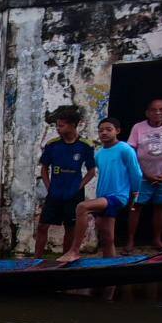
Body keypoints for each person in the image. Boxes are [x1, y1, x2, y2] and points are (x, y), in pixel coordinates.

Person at [63, 118, 142, 263]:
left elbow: (136, 174)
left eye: (108, 129)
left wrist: (134, 195)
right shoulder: (99, 154)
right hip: (104, 196)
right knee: (107, 237)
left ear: (117, 131)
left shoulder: (125, 149)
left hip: (118, 196)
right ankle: (110, 267)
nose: (104, 132)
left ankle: (74, 250)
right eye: (101, 130)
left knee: (82, 207)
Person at [33, 107, 97, 258]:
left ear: (73, 125)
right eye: (57, 125)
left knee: (70, 227)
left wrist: (78, 187)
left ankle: (65, 258)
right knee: (42, 226)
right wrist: (49, 187)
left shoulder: (85, 146)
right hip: (55, 192)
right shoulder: (52, 145)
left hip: (73, 194)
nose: (58, 129)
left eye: (61, 126)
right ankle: (36, 260)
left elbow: (91, 171)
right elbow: (44, 169)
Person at [127, 99, 162, 253]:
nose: (157, 113)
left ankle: (157, 239)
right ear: (147, 112)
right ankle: (130, 241)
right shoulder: (138, 128)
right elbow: (131, 153)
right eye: (153, 110)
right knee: (136, 206)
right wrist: (145, 174)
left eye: (161, 109)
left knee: (160, 207)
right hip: (142, 177)